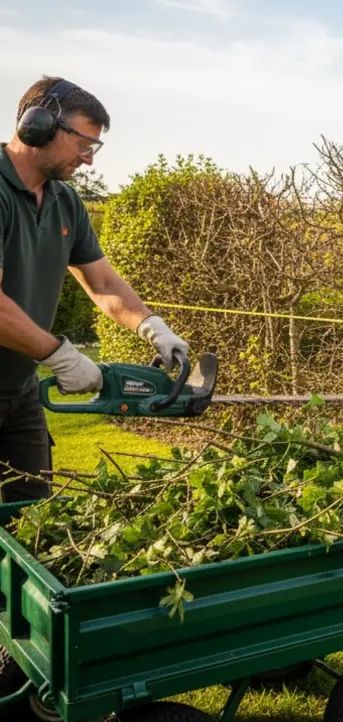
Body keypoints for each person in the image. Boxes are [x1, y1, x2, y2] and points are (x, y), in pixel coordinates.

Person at [1, 75, 189, 502]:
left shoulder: (64, 201)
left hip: (20, 393)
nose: (88, 160)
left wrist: (153, 328)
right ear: (39, 125)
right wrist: (59, 355)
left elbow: (102, 282)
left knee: (30, 524)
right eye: (84, 144)